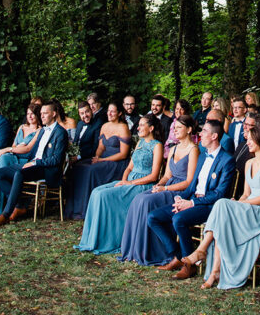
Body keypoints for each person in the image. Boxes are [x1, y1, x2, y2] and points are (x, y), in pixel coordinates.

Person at [177, 123, 260, 288]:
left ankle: (202, 251)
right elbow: (246, 193)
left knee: (222, 205)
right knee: (223, 209)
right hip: (248, 206)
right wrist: (238, 203)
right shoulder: (249, 163)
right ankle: (214, 271)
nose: (247, 143)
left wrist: (241, 204)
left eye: (251, 140)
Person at [149, 118, 235, 272]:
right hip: (193, 199)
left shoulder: (227, 160)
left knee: (178, 219)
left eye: (204, 131)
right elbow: (191, 186)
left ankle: (189, 265)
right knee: (153, 217)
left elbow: (220, 194)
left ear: (214, 136)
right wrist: (180, 199)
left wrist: (192, 203)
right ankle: (178, 255)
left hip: (210, 206)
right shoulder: (202, 156)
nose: (200, 134)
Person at [76, 114, 163, 254]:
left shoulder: (157, 146)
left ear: (151, 128)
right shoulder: (140, 143)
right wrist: (124, 180)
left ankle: (106, 240)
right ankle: (90, 239)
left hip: (142, 184)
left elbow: (154, 176)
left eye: (142, 125)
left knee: (104, 197)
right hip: (128, 179)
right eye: (139, 124)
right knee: (96, 192)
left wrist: (130, 183)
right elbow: (129, 167)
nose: (138, 128)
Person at [118, 113, 199, 264]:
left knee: (146, 202)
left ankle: (152, 250)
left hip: (180, 191)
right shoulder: (173, 149)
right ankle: (135, 248)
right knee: (139, 197)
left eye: (179, 127)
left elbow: (189, 181)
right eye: (174, 127)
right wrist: (159, 185)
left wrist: (165, 189)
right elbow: (167, 175)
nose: (174, 130)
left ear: (188, 130)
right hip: (167, 187)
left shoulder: (193, 150)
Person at [0, 101, 67, 226]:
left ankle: (5, 215)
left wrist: (36, 163)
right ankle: (19, 204)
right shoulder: (41, 131)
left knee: (19, 174)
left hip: (46, 169)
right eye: (41, 113)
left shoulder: (60, 132)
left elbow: (56, 160)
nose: (42, 116)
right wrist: (20, 158)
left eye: (45, 113)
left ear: (54, 113)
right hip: (33, 164)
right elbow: (31, 153)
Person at [0, 103, 42, 219]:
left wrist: (9, 149)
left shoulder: (40, 130)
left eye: (33, 114)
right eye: (28, 113)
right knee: (4, 158)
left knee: (4, 158)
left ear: (38, 115)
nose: (30, 116)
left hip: (24, 159)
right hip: (13, 156)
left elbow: (28, 149)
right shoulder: (21, 127)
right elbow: (15, 144)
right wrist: (12, 149)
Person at [64, 101, 131, 220]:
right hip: (103, 159)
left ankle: (87, 210)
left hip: (117, 162)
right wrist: (96, 157)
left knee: (90, 170)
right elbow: (101, 147)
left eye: (113, 111)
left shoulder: (123, 128)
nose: (109, 113)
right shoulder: (105, 126)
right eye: (108, 111)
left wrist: (102, 159)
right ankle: (75, 209)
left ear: (119, 113)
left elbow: (123, 154)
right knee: (80, 166)